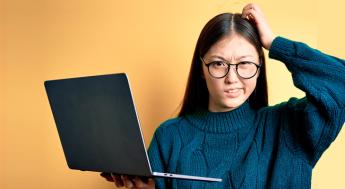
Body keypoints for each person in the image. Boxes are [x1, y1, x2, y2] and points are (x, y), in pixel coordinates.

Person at [101, 3, 345, 189]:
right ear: (202, 68)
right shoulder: (170, 137)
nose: (232, 77)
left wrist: (275, 43)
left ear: (260, 67)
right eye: (218, 64)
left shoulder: (289, 127)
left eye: (245, 63)